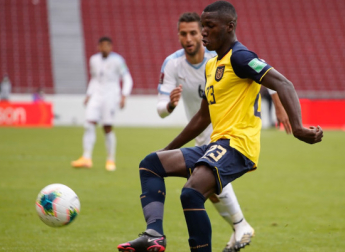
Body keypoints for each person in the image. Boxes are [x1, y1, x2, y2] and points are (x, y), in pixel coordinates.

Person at [117, 1, 323, 252]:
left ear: (229, 27)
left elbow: (284, 84)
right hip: (218, 144)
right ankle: (154, 235)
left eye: (209, 27)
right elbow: (203, 118)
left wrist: (299, 128)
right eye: (202, 26)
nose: (203, 32)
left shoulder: (241, 57)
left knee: (191, 192)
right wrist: (166, 150)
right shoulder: (212, 65)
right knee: (151, 164)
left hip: (238, 146)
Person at [155, 12, 291, 252]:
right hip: (200, 128)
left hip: (227, 130)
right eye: (183, 33)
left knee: (200, 184)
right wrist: (170, 105)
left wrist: (278, 105)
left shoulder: (219, 53)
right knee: (204, 188)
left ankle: (240, 226)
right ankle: (240, 226)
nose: (189, 38)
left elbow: (262, 71)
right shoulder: (173, 63)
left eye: (194, 32)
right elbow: (161, 110)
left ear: (202, 33)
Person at [71, 36, 133, 171]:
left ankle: (110, 160)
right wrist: (88, 94)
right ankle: (86, 158)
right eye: (102, 45)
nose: (105, 48)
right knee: (88, 124)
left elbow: (127, 78)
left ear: (111, 47)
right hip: (96, 96)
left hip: (111, 97)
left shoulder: (118, 60)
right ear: (98, 47)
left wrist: (124, 95)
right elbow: (94, 79)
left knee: (107, 128)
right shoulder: (93, 60)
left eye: (107, 45)